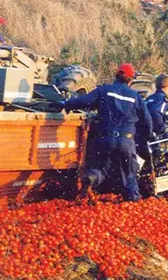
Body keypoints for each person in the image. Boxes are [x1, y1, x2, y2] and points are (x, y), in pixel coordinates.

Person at [64, 63, 152, 202]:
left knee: (100, 167)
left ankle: (90, 179)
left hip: (105, 139)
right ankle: (132, 202)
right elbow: (147, 123)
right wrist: (142, 140)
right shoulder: (136, 97)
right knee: (129, 174)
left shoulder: (104, 90)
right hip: (126, 142)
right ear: (131, 80)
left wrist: (67, 104)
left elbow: (84, 101)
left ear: (116, 76)